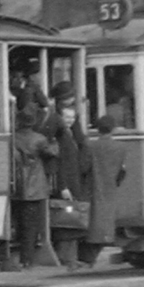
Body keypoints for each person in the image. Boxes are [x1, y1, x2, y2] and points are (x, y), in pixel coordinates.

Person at [8, 107, 58, 271]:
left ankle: (14, 257)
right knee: (31, 226)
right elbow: (52, 152)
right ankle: (27, 259)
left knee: (18, 222)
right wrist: (54, 142)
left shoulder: (12, 138)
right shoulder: (39, 139)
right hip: (34, 187)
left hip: (16, 186)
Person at [79, 115, 127, 267]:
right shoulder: (120, 147)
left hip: (92, 188)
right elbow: (122, 171)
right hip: (110, 188)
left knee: (91, 222)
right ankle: (93, 254)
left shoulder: (90, 146)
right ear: (113, 129)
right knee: (105, 222)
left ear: (97, 129)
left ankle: (87, 258)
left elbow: (83, 167)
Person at [46, 102, 89, 269]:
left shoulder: (71, 135)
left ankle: (71, 256)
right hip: (67, 184)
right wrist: (63, 186)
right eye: (67, 117)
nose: (70, 120)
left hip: (74, 182)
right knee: (68, 219)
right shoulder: (61, 137)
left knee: (73, 218)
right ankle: (67, 257)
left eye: (72, 117)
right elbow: (61, 164)